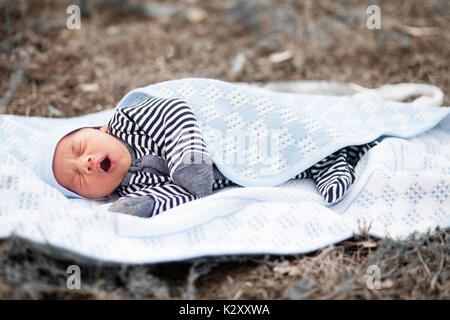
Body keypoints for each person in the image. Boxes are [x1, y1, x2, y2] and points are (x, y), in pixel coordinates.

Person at [34, 96, 378, 218]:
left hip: (231, 131)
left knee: (279, 135)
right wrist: (146, 206)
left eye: (79, 150)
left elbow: (176, 110)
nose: (86, 163)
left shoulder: (130, 120)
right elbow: (187, 194)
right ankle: (327, 163)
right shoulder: (127, 193)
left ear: (101, 129)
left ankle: (333, 147)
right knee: (275, 163)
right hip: (232, 170)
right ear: (100, 196)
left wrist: (187, 155)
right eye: (78, 179)